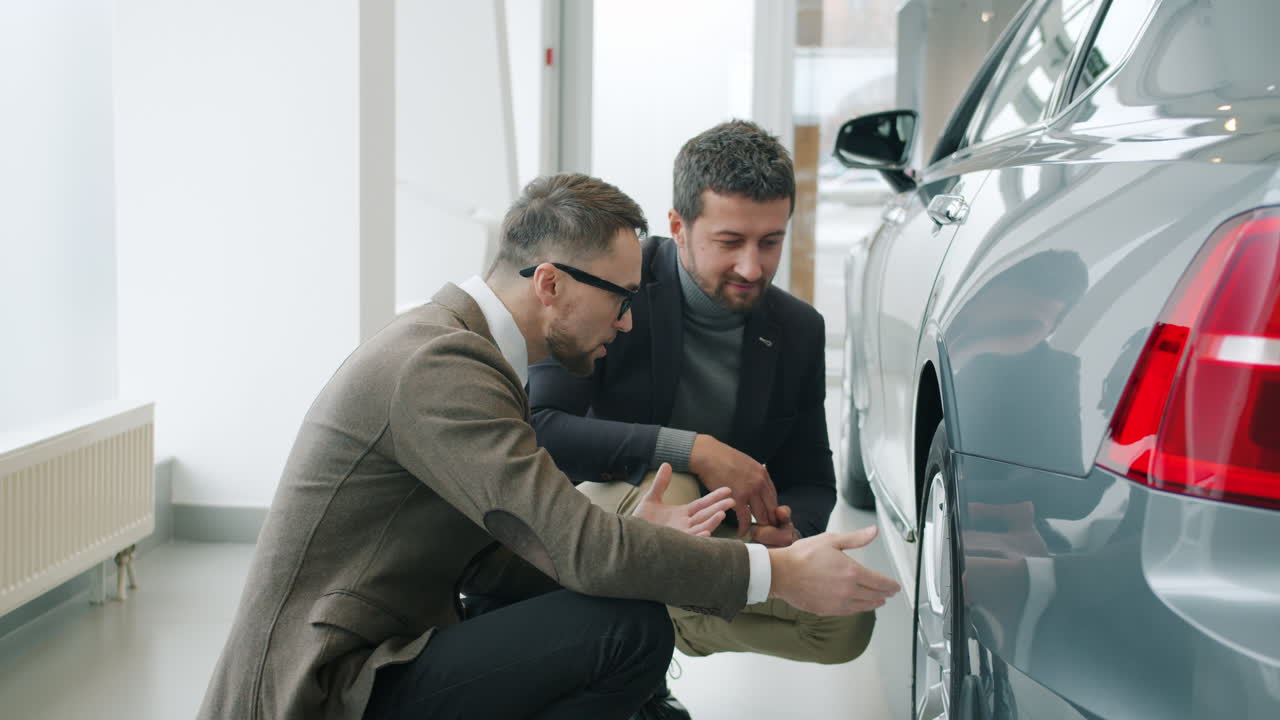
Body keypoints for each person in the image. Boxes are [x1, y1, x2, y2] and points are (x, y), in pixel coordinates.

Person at [197, 172, 899, 720]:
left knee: (617, 607)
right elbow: (576, 549)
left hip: (378, 657)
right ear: (553, 285)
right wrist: (776, 575)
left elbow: (502, 556)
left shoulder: (457, 349)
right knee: (629, 632)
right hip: (323, 692)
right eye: (621, 299)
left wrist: (629, 541)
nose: (626, 323)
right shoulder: (439, 367)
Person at [528, 121, 876, 719]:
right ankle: (633, 670)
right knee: (682, 481)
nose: (752, 265)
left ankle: (654, 640)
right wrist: (692, 448)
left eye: (771, 242)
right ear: (678, 227)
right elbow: (542, 426)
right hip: (593, 528)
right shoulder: (614, 287)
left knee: (846, 620)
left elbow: (813, 475)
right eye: (730, 240)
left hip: (707, 545)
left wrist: (789, 530)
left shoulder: (798, 330)